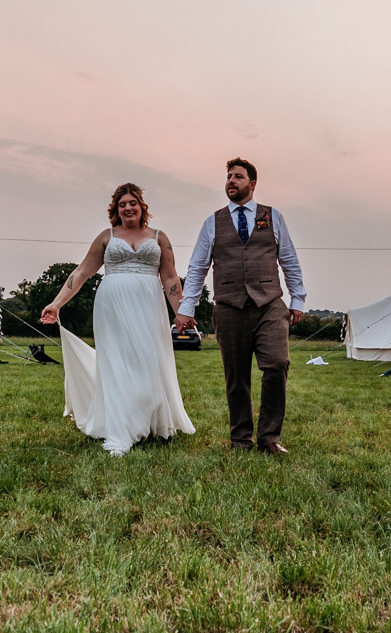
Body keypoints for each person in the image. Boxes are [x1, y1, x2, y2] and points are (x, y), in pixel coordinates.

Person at [42, 183, 193, 455]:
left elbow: (170, 277)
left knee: (148, 360)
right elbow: (82, 272)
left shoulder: (159, 238)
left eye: (132, 202)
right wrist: (56, 304)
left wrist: (182, 312)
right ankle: (121, 430)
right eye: (122, 204)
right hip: (111, 307)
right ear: (116, 209)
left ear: (141, 206)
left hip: (149, 306)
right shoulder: (106, 237)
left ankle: (150, 420)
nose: (128, 208)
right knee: (117, 363)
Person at [174, 157, 306, 453]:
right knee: (236, 376)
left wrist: (297, 299)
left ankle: (270, 438)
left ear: (253, 183)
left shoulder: (273, 217)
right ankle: (240, 439)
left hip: (269, 303)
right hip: (229, 306)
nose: (231, 181)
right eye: (229, 177)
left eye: (238, 177)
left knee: (277, 364)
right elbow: (197, 268)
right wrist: (187, 308)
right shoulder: (213, 222)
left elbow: (289, 261)